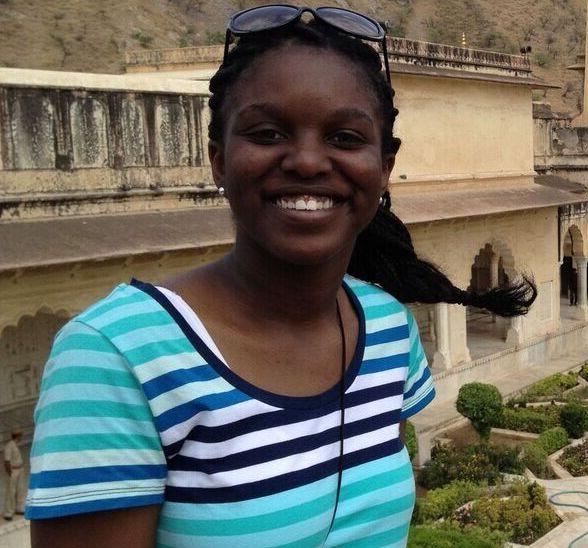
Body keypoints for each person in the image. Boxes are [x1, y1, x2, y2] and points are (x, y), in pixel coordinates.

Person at [25, 6, 535, 547]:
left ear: (384, 166)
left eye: (344, 137)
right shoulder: (116, 357)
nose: (309, 161)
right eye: (268, 133)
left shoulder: (387, 329)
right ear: (218, 158)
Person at [3, 429, 24, 520]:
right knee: (11, 492)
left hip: (19, 469)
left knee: (20, 490)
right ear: (17, 436)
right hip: (13, 470)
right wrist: (10, 473)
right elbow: (7, 461)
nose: (21, 437)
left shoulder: (15, 445)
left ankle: (19, 508)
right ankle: (8, 512)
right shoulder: (9, 446)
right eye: (20, 435)